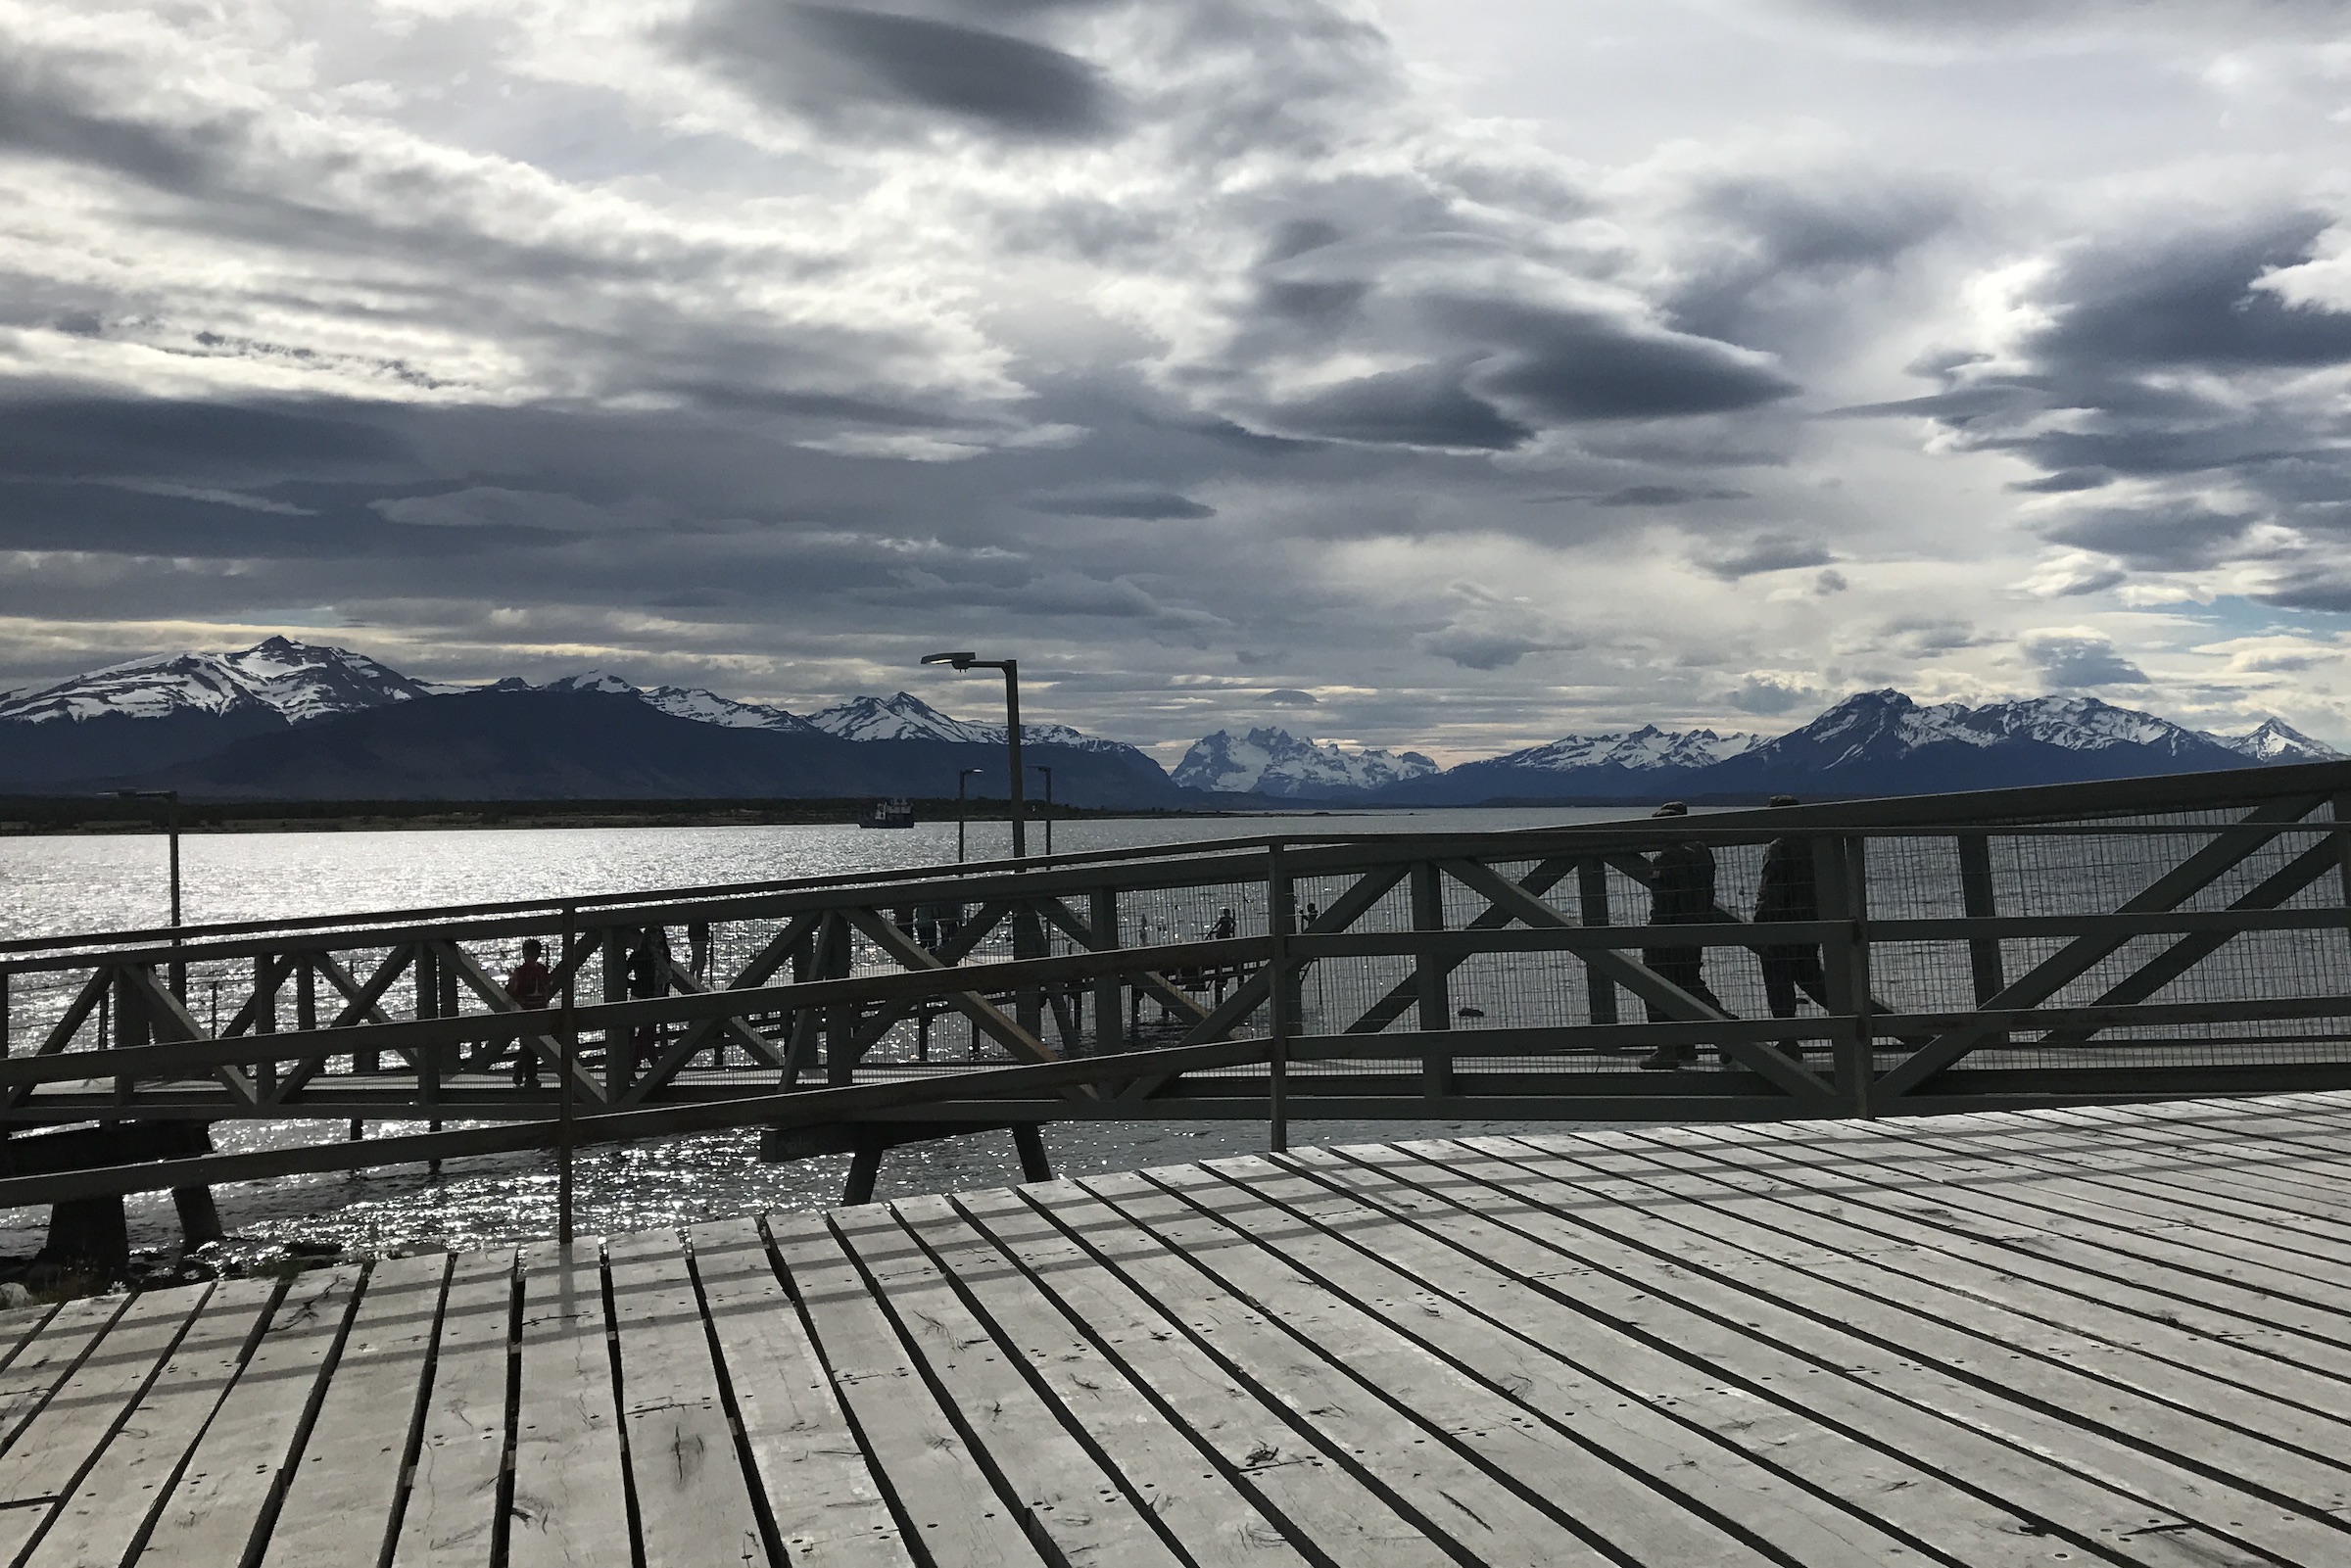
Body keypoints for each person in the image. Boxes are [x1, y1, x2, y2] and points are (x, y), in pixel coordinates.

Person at [1639, 802, 1727, 1070]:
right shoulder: (1701, 853)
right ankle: (1717, 1031)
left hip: (1668, 932)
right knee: (1689, 983)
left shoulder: (1666, 858)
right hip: (1694, 928)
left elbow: (1664, 901)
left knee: (1656, 985)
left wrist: (1654, 933)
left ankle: (1668, 1047)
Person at [1755, 794, 1831, 1058]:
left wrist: (1761, 923)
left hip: (1780, 925)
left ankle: (1788, 1038)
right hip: (1809, 922)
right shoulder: (1812, 843)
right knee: (1811, 976)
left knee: (1778, 981)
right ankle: (1850, 1017)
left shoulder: (1780, 846)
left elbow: (1772, 889)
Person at [505, 937, 553, 1088]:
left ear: (537, 954)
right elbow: (512, 990)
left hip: (538, 1010)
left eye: (531, 954)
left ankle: (522, 1071)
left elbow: (546, 988)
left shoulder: (541, 970)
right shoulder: (521, 971)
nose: (529, 957)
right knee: (530, 1045)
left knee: (531, 1045)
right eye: (526, 954)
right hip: (526, 1011)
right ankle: (529, 1076)